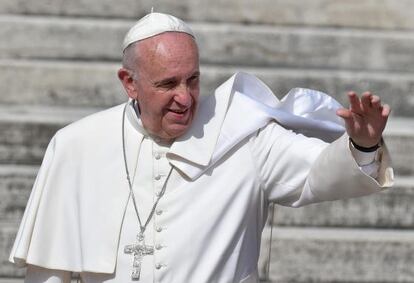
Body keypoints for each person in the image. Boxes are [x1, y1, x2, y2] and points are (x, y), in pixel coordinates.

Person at [10, 12, 393, 283]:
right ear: (129, 82)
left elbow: (318, 173)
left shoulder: (244, 136)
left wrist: (362, 142)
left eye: (192, 80)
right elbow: (49, 271)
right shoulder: (77, 145)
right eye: (167, 84)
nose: (185, 97)